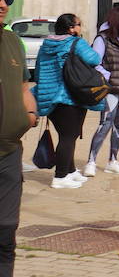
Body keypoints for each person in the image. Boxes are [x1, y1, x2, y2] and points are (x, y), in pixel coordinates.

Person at [0, 0, 38, 277]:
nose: (2, 4)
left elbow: (24, 85)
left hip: (9, 153)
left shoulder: (13, 40)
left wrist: (29, 113)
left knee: (6, 231)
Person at [34, 14, 105, 189]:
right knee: (68, 137)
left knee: (66, 135)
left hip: (50, 97)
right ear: (71, 28)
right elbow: (95, 59)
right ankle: (60, 177)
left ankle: (71, 170)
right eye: (79, 25)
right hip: (70, 96)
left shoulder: (47, 45)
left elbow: (37, 71)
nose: (80, 28)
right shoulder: (76, 42)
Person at [83, 5, 119, 177]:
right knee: (105, 124)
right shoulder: (102, 39)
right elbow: (94, 62)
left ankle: (112, 160)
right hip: (110, 89)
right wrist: (107, 76)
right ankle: (91, 161)